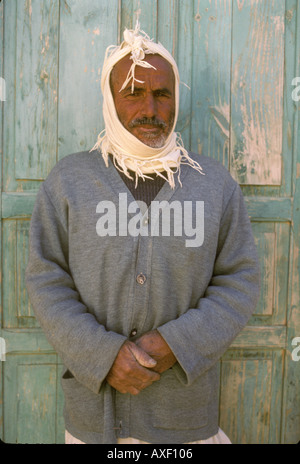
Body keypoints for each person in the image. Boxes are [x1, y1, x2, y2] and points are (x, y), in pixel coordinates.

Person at [25, 22, 260, 445]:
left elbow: (239, 281)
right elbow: (46, 280)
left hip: (184, 420)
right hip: (95, 419)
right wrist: (103, 356)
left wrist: (174, 345)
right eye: (133, 92)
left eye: (161, 93)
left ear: (175, 101)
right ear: (110, 101)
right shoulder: (68, 181)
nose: (148, 107)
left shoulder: (215, 185)